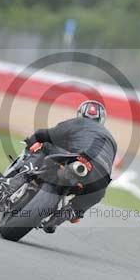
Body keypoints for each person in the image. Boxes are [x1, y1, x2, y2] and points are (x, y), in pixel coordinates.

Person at [24, 100, 117, 233]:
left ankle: (31, 176)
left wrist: (32, 141)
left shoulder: (77, 122)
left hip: (77, 160)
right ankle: (70, 212)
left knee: (46, 146)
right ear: (102, 119)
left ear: (80, 114)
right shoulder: (111, 139)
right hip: (101, 178)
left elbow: (45, 134)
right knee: (95, 194)